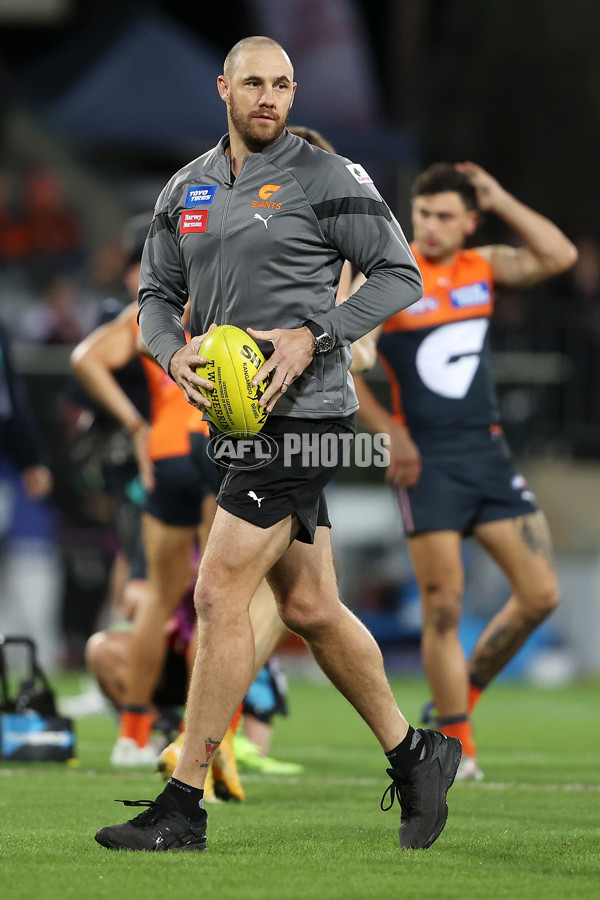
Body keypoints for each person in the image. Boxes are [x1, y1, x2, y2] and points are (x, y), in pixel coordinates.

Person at [95, 35, 462, 855]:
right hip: (232, 421)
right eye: (254, 83)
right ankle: (418, 753)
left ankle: (181, 804)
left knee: (219, 592)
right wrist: (169, 349)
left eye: (284, 85)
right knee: (308, 607)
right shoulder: (184, 189)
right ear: (224, 88)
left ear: (295, 94)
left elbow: (401, 273)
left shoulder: (329, 178)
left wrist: (313, 335)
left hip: (304, 417)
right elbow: (157, 292)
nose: (269, 97)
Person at [354, 161, 577, 780]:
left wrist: (502, 194)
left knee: (540, 594)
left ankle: (463, 695)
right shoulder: (394, 280)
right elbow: (349, 360)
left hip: (487, 454)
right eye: (422, 214)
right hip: (426, 463)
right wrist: (390, 431)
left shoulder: (483, 265)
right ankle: (457, 741)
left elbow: (558, 255)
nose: (429, 227)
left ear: (469, 221)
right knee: (443, 607)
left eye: (445, 216)